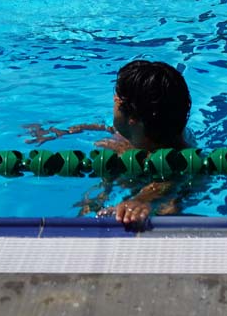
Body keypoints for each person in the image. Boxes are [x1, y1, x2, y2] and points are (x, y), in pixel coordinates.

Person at [25, 60, 194, 228]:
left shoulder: (180, 158)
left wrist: (142, 200)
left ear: (133, 119)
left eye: (118, 100)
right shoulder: (153, 127)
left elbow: (169, 181)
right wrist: (59, 132)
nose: (114, 98)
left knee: (169, 210)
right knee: (92, 201)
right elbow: (105, 127)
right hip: (127, 167)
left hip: (155, 191)